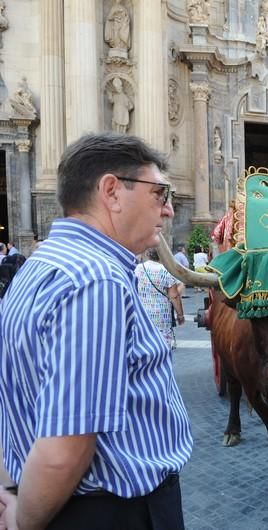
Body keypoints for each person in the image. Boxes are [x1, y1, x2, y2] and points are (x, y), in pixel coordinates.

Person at [0, 133, 192, 529]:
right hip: (112, 513)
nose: (169, 210)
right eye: (160, 193)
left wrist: (14, 488)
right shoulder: (96, 280)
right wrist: (22, 520)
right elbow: (65, 450)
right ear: (112, 191)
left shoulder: (38, 265)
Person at [135, 247, 185, 349]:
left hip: (142, 314)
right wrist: (180, 315)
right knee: (163, 347)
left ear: (148, 254)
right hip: (162, 316)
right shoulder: (167, 271)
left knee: (144, 345)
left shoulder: (138, 269)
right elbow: (174, 296)